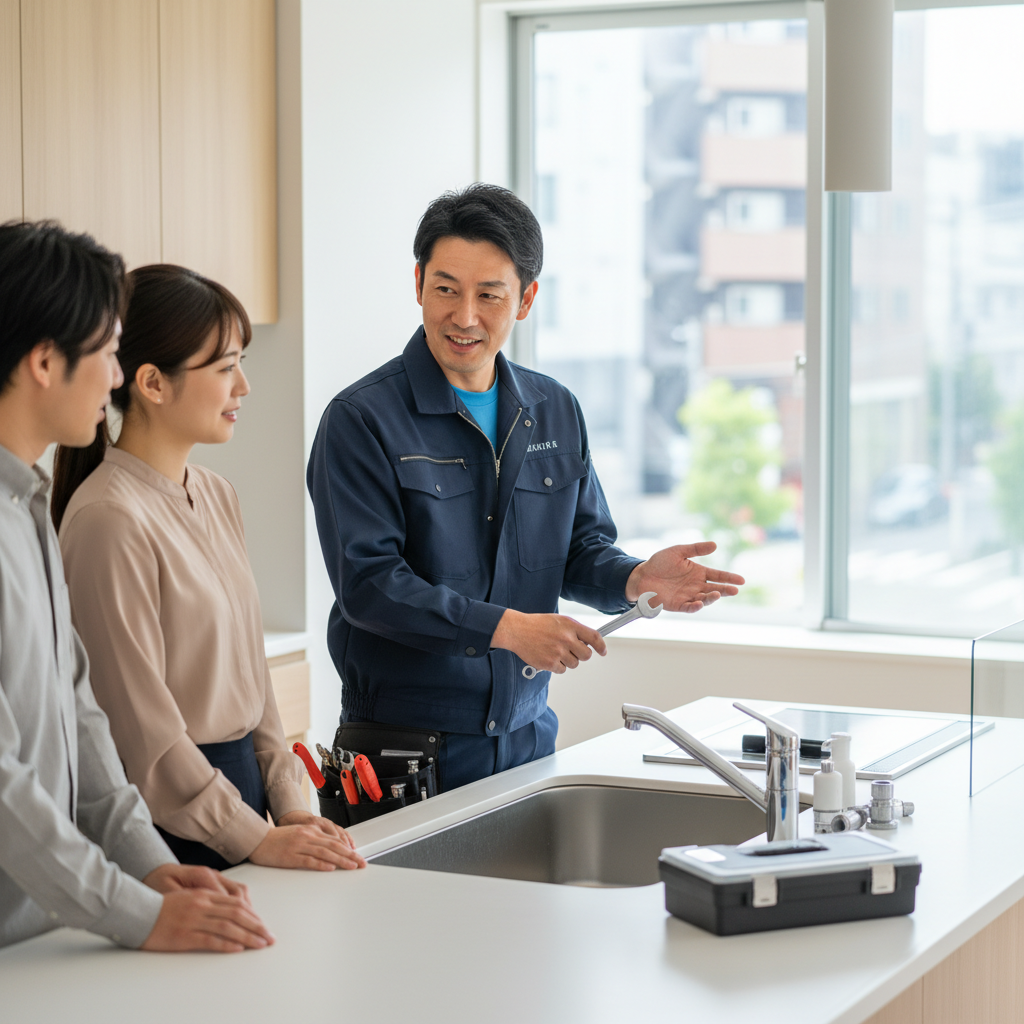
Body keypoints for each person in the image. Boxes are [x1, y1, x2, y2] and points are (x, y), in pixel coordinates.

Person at [307, 183, 745, 792]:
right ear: (417, 285)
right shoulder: (361, 420)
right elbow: (370, 586)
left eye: (489, 295)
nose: (464, 317)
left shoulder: (554, 409)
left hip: (528, 739)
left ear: (526, 298)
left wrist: (634, 579)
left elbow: (578, 549)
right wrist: (507, 628)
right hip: (404, 752)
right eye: (445, 290)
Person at [0, 219, 274, 952]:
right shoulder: (88, 517)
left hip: (57, 923)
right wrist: (135, 909)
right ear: (44, 363)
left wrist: (151, 871)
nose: (117, 378)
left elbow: (84, 720)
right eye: (106, 353)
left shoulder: (26, 510)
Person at [53, 264, 365, 875]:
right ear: (151, 383)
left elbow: (255, 683)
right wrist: (251, 835)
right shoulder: (107, 520)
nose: (243, 386)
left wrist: (287, 803)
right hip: (170, 824)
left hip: (241, 805)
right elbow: (142, 734)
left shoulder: (217, 493)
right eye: (224, 368)